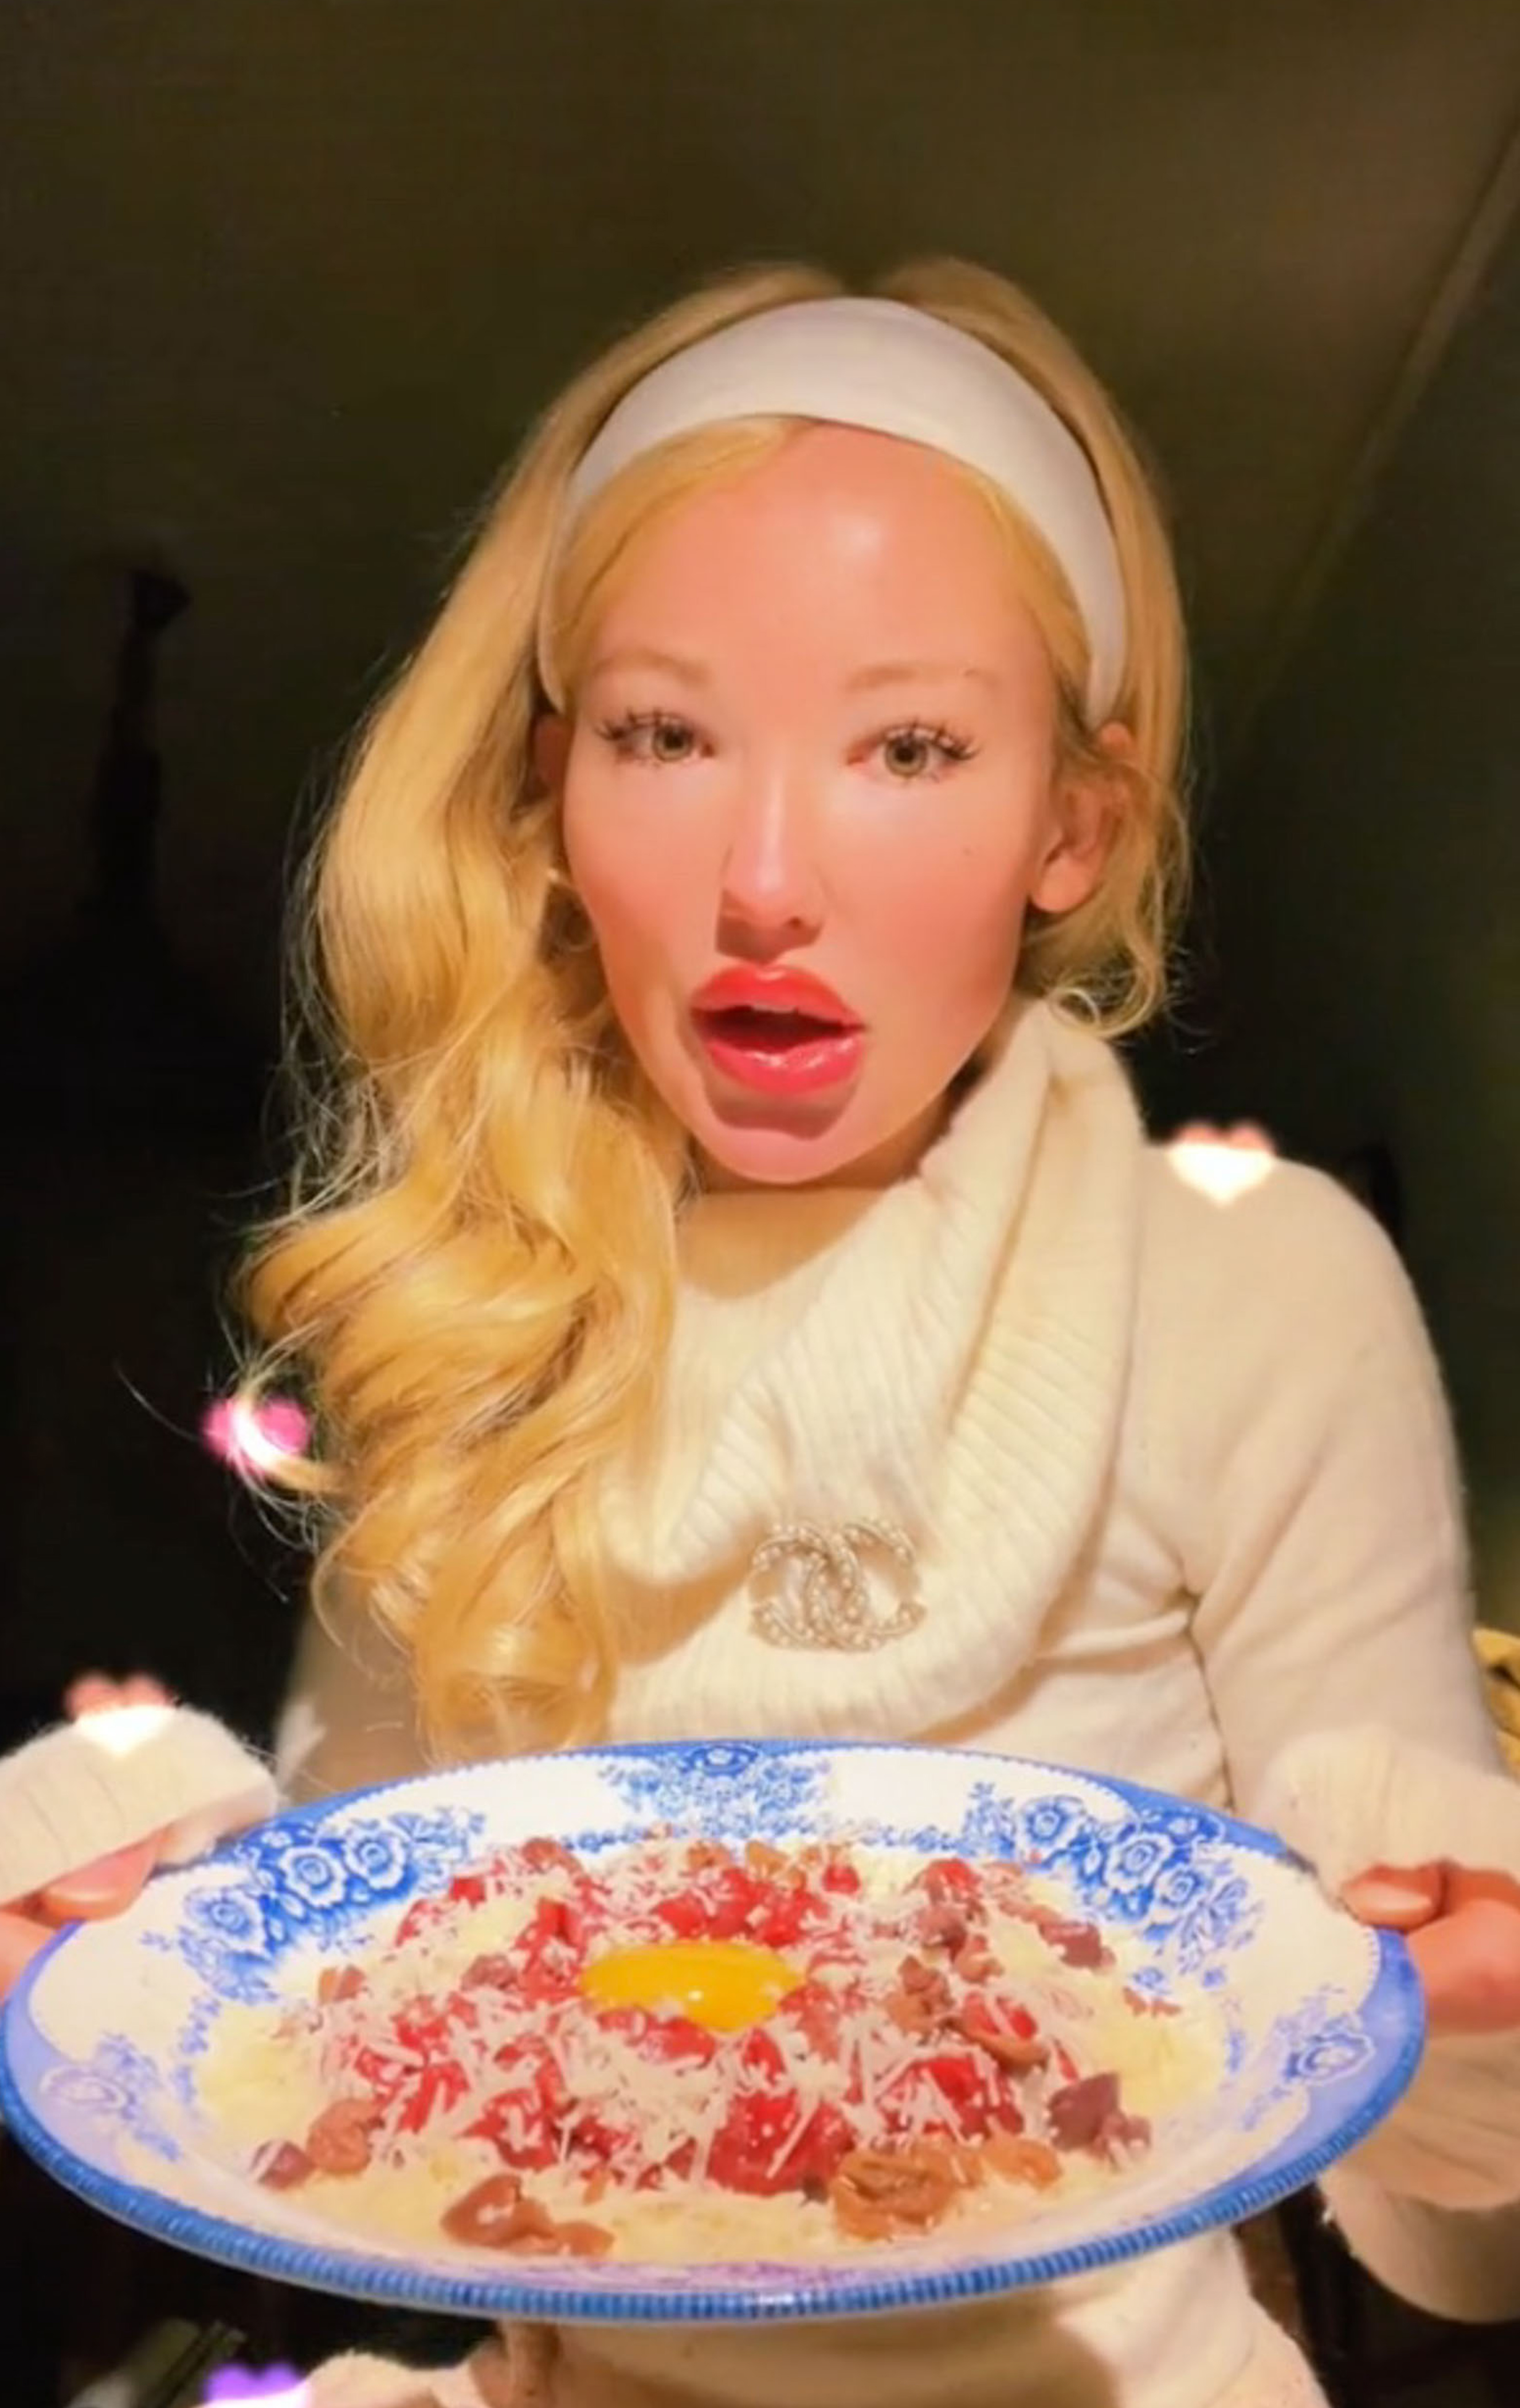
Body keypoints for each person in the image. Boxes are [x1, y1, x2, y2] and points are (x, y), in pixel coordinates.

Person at [3, 258, 1519, 2408]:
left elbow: (1456, 2247)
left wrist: (1478, 2020)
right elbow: (385, 2059)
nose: (769, 876)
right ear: (552, 788)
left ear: (1071, 821)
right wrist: (140, 1935)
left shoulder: (1250, 1287)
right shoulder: (479, 1311)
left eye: (910, 745)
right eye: (666, 735)